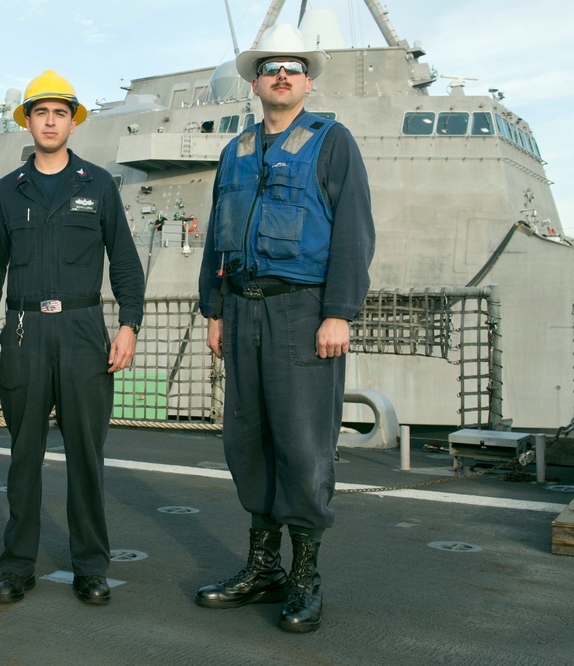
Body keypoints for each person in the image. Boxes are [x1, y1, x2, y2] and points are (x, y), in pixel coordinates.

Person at [196, 24, 375, 633]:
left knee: (302, 444)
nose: (282, 75)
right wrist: (213, 309)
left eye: (293, 68)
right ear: (254, 82)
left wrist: (338, 312)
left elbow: (352, 231)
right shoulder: (236, 151)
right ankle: (262, 569)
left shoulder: (332, 143)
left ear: (306, 82)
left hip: (302, 313)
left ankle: (305, 578)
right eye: (271, 67)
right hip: (242, 310)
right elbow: (217, 241)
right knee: (248, 441)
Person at [0, 70, 145, 606]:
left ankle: (91, 567)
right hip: (26, 332)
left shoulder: (97, 185)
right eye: (41, 112)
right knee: (22, 453)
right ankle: (16, 565)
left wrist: (129, 324)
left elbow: (123, 260)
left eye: (60, 113)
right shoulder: (8, 191)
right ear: (27, 121)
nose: (50, 121)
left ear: (72, 121)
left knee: (85, 455)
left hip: (82, 331)